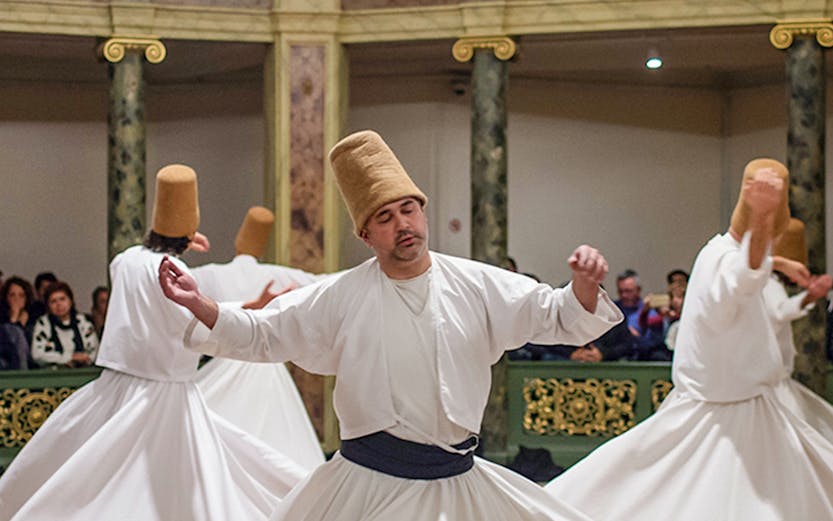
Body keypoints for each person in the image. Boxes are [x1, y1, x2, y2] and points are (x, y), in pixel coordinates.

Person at [160, 130, 622, 521]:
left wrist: (582, 284)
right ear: (366, 235)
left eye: (408, 210)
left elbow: (557, 314)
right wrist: (200, 303)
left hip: (456, 483)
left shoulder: (476, 283)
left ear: (422, 211)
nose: (403, 224)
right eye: (385, 217)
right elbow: (264, 332)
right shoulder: (339, 295)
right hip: (366, 484)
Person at [0, 164, 305, 521]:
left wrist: (179, 236)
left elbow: (145, 274)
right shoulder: (175, 271)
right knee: (187, 479)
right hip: (166, 392)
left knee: (90, 469)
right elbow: (196, 330)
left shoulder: (123, 261)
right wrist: (251, 308)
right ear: (190, 229)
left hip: (115, 386)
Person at [545, 158, 833, 520]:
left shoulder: (718, 252)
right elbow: (741, 276)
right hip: (723, 419)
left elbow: (746, 268)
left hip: (746, 410)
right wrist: (762, 220)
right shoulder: (723, 261)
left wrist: (777, 260)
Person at [192, 205, 326, 471]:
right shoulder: (275, 275)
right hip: (265, 364)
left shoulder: (211, 274)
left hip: (229, 363)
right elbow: (322, 283)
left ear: (238, 240)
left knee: (218, 440)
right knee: (277, 439)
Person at [763, 217, 833, 441]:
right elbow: (782, 311)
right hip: (771, 386)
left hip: (774, 380)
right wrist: (810, 296)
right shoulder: (768, 283)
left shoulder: (766, 282)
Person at [30, 281, 99, 368]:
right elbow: (37, 354)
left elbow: (94, 352)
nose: (59, 304)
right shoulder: (43, 323)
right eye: (53, 301)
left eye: (62, 299)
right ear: (48, 306)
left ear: (70, 301)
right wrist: (68, 358)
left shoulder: (83, 322)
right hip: (53, 376)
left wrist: (82, 359)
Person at [0, 276, 36, 345]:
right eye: (12, 295)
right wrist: (13, 319)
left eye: (21, 295)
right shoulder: (2, 318)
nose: (16, 299)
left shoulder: (34, 318)